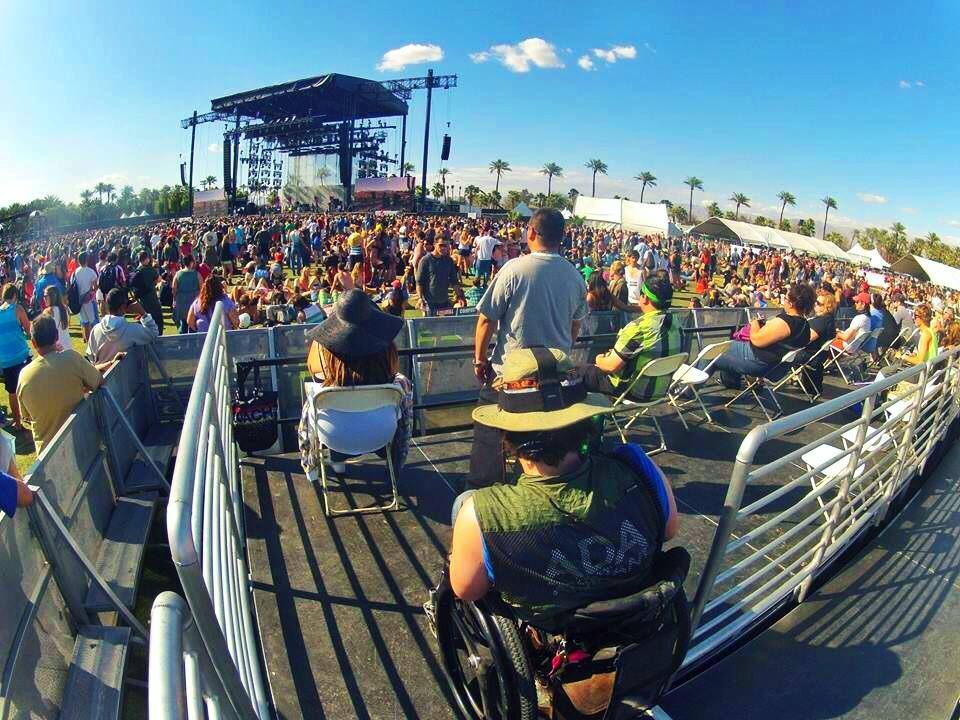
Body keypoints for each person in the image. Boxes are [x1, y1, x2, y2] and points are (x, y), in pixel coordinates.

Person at [447, 347, 679, 622]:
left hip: (551, 632)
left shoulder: (482, 513)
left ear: (507, 433)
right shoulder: (637, 466)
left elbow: (467, 589)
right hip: (637, 617)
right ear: (584, 420)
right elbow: (669, 530)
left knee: (463, 503)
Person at [470, 209, 588, 488]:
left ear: (532, 233)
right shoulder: (574, 275)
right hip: (554, 378)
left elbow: (487, 319)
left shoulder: (514, 269)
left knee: (488, 431)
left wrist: (479, 360)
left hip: (512, 380)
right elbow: (575, 326)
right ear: (561, 238)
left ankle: (481, 491)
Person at [298, 289, 413, 479]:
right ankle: (392, 463)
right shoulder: (397, 382)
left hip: (335, 437)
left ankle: (337, 462)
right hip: (382, 434)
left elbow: (313, 368)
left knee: (328, 407)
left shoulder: (324, 376)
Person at [579, 270, 681, 399]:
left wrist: (599, 358)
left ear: (645, 299)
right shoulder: (677, 323)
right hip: (661, 390)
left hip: (633, 391)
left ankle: (596, 416)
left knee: (579, 371)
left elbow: (610, 367)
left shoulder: (639, 328)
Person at [18, 315, 114, 452]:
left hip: (47, 454)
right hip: (81, 443)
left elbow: (26, 416)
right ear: (57, 336)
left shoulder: (23, 376)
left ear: (33, 342)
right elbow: (99, 381)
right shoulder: (71, 358)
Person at [713, 283, 815, 388]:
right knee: (728, 348)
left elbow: (756, 340)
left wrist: (755, 323)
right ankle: (730, 382)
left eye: (786, 298)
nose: (784, 301)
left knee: (710, 354)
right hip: (775, 367)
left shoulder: (785, 323)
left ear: (792, 303)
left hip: (758, 362)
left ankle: (694, 389)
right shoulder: (805, 326)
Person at [87, 288, 159, 364]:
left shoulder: (95, 329)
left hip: (101, 373)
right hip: (125, 374)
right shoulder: (131, 330)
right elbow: (153, 332)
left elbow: (90, 356)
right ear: (123, 306)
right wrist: (142, 313)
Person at [0, 284, 32, 430]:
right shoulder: (17, 309)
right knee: (28, 387)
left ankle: (18, 423)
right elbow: (28, 329)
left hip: (5, 359)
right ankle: (31, 416)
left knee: (12, 391)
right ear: (14, 296)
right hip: (21, 355)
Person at [794, 292, 837, 395]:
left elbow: (806, 339)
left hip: (809, 355)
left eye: (818, 303)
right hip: (818, 355)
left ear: (827, 307)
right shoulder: (829, 319)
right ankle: (796, 378)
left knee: (776, 352)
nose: (815, 304)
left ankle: (759, 379)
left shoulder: (821, 322)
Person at [416, 235, 465, 315]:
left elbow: (454, 281)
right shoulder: (425, 260)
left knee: (445, 326)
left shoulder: (449, 261)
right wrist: (420, 298)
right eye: (441, 245)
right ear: (435, 244)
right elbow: (419, 282)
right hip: (429, 303)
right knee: (429, 326)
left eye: (445, 245)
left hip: (444, 302)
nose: (443, 248)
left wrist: (459, 296)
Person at [129, 251, 164, 333]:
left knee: (144, 318)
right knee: (157, 318)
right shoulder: (150, 270)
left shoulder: (136, 270)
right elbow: (159, 279)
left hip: (142, 299)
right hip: (151, 297)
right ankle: (158, 335)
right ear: (146, 259)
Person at [72, 251, 99, 343]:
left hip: (80, 300)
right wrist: (92, 291)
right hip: (88, 300)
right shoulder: (90, 271)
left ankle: (88, 342)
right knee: (93, 322)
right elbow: (95, 287)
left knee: (85, 323)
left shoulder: (75, 272)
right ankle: (94, 342)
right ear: (87, 260)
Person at [172, 255, 202, 334]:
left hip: (181, 302)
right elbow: (202, 288)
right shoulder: (197, 274)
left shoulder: (178, 274)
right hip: (193, 302)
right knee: (193, 324)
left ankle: (183, 342)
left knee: (183, 323)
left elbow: (174, 289)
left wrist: (174, 300)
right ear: (191, 263)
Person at [42, 285, 71, 351]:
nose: (44, 298)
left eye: (45, 296)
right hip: (68, 347)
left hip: (56, 349)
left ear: (52, 297)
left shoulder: (48, 311)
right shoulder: (65, 308)